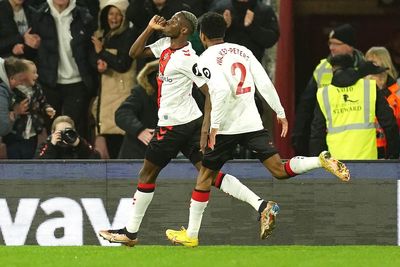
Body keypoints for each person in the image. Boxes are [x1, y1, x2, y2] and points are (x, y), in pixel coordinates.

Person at [98, 11, 289, 247]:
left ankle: (130, 232)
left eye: (174, 21)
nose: (168, 22)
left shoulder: (190, 58)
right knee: (208, 175)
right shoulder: (165, 45)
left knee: (146, 174)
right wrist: (149, 28)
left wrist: (206, 128)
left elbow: (209, 91)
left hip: (173, 126)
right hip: (188, 122)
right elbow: (134, 53)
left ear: (185, 30)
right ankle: (261, 205)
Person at [165, 12, 350, 247]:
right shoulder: (243, 51)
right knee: (279, 169)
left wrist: (213, 127)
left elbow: (219, 92)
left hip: (227, 128)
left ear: (201, 35)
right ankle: (319, 161)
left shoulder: (204, 59)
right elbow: (264, 83)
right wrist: (280, 112)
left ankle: (191, 235)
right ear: (225, 32)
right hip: (252, 123)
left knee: (204, 178)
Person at [292, 23, 365, 156]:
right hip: (328, 135)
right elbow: (306, 104)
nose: (331, 48)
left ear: (349, 46)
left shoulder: (365, 67)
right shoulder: (322, 68)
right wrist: (298, 133)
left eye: (336, 44)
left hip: (360, 140)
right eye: (330, 43)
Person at [309, 54, 399, 159]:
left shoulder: (324, 94)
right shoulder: (369, 87)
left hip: (337, 166)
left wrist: (317, 164)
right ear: (353, 66)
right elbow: (390, 124)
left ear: (333, 69)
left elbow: (317, 134)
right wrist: (393, 156)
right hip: (368, 163)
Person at [30, 0, 97, 139]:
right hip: (49, 82)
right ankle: (53, 159)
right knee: (52, 130)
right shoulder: (38, 15)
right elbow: (32, 49)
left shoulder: (83, 15)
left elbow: (89, 48)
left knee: (76, 131)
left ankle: (78, 160)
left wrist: (97, 64)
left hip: (77, 81)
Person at [91, 0, 139, 159]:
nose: (115, 18)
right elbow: (91, 60)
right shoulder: (101, 35)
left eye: (119, 14)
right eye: (111, 13)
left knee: (121, 135)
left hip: (122, 93)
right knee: (110, 136)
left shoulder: (130, 35)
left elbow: (123, 64)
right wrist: (99, 63)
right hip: (106, 97)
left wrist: (102, 52)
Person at [2, 60, 56, 159]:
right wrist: (15, 110)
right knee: (14, 158)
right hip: (15, 133)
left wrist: (47, 108)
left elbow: (42, 102)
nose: (37, 75)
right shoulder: (11, 90)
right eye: (33, 72)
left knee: (29, 157)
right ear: (23, 74)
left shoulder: (37, 89)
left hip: (32, 133)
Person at [209, 0, 280, 62]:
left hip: (252, 66)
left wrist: (252, 27)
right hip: (222, 64)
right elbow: (206, 36)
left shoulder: (265, 10)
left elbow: (271, 39)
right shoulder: (220, 7)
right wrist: (223, 26)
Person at [115, 60, 158, 159]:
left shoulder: (183, 93)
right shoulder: (142, 92)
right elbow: (122, 114)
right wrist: (140, 130)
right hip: (136, 156)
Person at [365, 46, 400, 158]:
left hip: (393, 149)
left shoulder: (397, 90)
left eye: (373, 62)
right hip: (367, 149)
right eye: (367, 62)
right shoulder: (361, 90)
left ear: (384, 63)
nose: (369, 66)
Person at [35, 115, 100, 159]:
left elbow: (96, 158)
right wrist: (51, 145)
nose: (65, 135)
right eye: (60, 132)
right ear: (53, 132)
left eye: (68, 131)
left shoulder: (79, 143)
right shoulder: (47, 144)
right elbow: (38, 163)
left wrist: (79, 144)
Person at [0, 57, 30, 138]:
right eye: (20, 80)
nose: (22, 84)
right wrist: (16, 111)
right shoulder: (1, 93)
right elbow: (3, 128)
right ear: (12, 78)